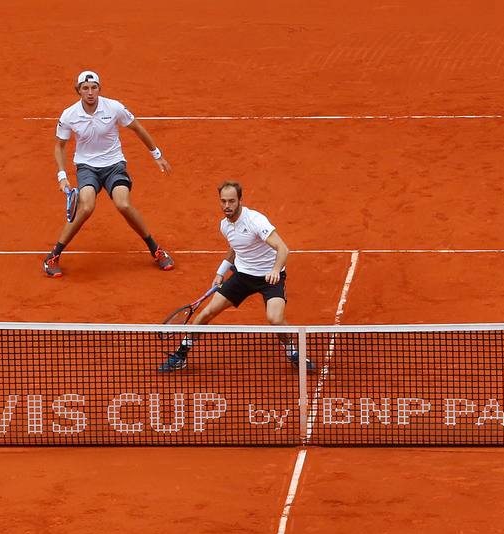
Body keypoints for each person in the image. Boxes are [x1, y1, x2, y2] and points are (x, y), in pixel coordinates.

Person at [159, 180, 313, 373]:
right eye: (223, 201)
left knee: (275, 319)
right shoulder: (224, 225)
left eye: (231, 201)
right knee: (206, 313)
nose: (227, 206)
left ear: (240, 200)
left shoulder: (255, 221)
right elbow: (235, 248)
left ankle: (293, 353)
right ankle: (181, 355)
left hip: (269, 277)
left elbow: (283, 248)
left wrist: (275, 270)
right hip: (243, 276)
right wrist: (220, 273)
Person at [42, 70, 175, 278]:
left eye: (94, 87)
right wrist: (62, 176)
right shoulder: (69, 115)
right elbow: (59, 146)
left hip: (114, 164)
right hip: (86, 167)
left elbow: (138, 128)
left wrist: (157, 155)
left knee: (123, 204)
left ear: (99, 89)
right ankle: (52, 256)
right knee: (86, 207)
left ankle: (155, 249)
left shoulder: (114, 107)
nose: (90, 92)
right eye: (85, 88)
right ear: (78, 91)